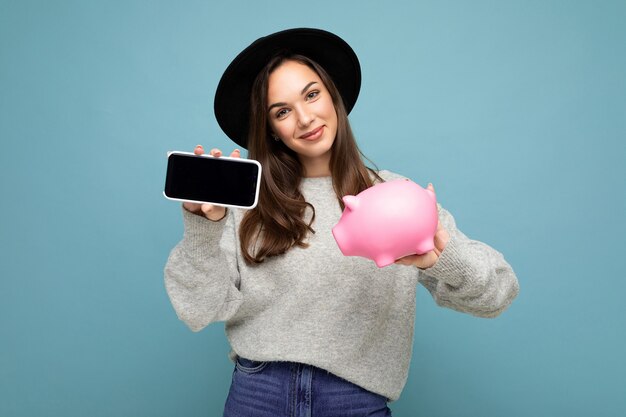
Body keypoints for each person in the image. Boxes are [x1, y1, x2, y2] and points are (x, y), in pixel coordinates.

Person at [164, 28, 519, 417]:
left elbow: (498, 293)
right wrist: (203, 228)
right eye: (282, 111)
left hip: (354, 399)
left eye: (312, 94)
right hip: (258, 394)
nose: (304, 118)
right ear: (271, 130)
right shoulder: (248, 203)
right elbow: (198, 311)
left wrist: (439, 256)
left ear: (334, 96)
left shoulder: (397, 196)